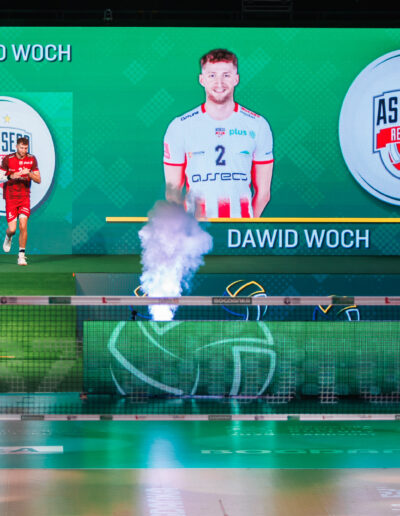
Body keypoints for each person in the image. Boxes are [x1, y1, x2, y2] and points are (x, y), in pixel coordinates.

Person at [163, 48, 274, 219]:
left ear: (236, 79)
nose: (219, 83)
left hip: (239, 231)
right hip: (196, 229)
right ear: (202, 80)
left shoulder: (258, 125)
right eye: (212, 75)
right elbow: (173, 192)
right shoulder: (180, 126)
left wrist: (246, 225)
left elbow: (264, 193)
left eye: (226, 75)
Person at [1, 136, 41, 265]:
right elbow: (0, 177)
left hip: (24, 197)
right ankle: (8, 236)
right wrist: (10, 176)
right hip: (11, 197)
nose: (24, 150)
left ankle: (21, 256)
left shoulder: (32, 159)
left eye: (26, 148)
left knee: (23, 225)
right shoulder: (8, 159)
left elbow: (38, 180)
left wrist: (29, 173)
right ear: (16, 147)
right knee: (12, 229)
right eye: (21, 148)